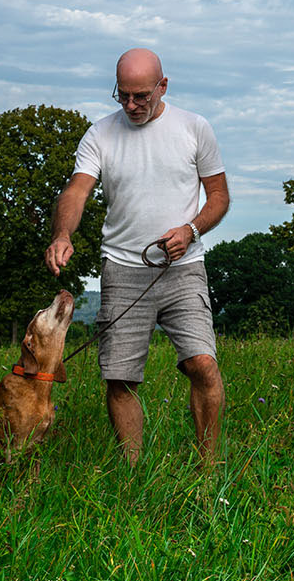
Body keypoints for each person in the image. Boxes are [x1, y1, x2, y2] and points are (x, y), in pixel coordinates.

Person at [45, 48, 228, 464]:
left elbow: (218, 196)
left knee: (203, 366)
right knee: (120, 379)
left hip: (183, 269)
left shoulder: (195, 128)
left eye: (141, 96)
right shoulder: (100, 135)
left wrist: (192, 229)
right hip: (122, 270)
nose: (131, 105)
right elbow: (76, 191)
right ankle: (133, 474)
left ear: (163, 86)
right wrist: (62, 234)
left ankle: (208, 471)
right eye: (123, 95)